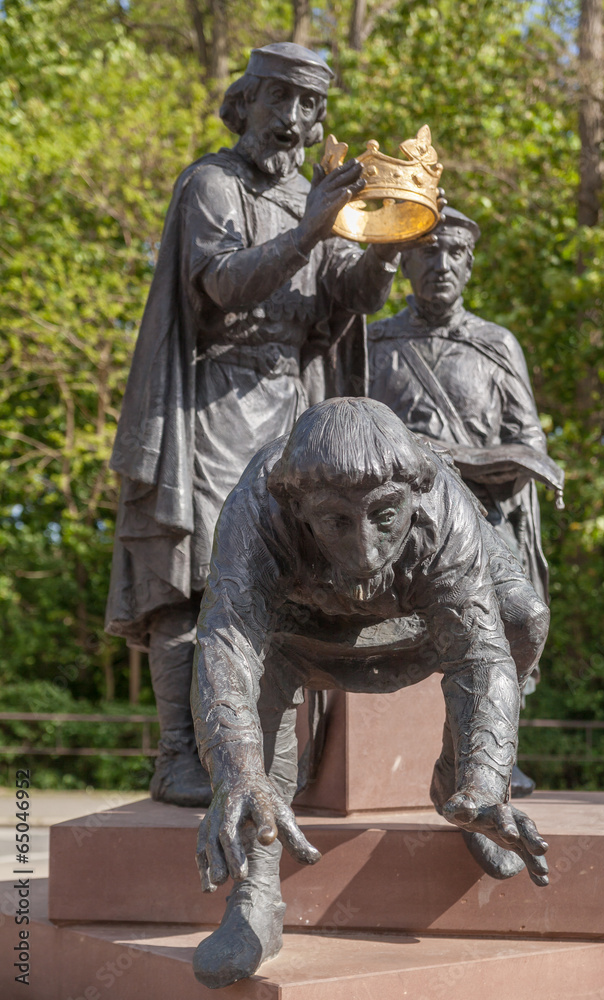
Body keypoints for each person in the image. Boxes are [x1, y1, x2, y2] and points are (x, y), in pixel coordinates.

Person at [105, 43, 406, 807]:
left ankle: (268, 758)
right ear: (246, 101)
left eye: (310, 107)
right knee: (195, 580)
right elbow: (225, 284)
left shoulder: (312, 196)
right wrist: (311, 229)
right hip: (214, 406)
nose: (296, 121)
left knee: (286, 587)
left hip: (294, 414)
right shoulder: (211, 184)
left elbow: (346, 300)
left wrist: (386, 248)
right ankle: (180, 754)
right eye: (281, 101)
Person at [191, 397, 550, 989]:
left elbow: (479, 656)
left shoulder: (441, 505)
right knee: (256, 691)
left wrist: (487, 776)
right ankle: (255, 895)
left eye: (386, 516)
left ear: (413, 493)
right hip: (300, 627)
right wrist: (237, 773)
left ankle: (459, 784)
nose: (365, 550)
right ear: (296, 505)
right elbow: (226, 645)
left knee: (523, 617)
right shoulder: (256, 509)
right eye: (336, 521)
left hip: (421, 615)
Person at [368, 207, 564, 796]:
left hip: (480, 519)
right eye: (427, 251)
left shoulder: (496, 346)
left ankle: (491, 752)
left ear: (470, 265)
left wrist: (468, 458)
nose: (442, 264)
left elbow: (529, 445)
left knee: (517, 612)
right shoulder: (374, 343)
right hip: (394, 522)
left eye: (454, 253)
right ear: (404, 262)